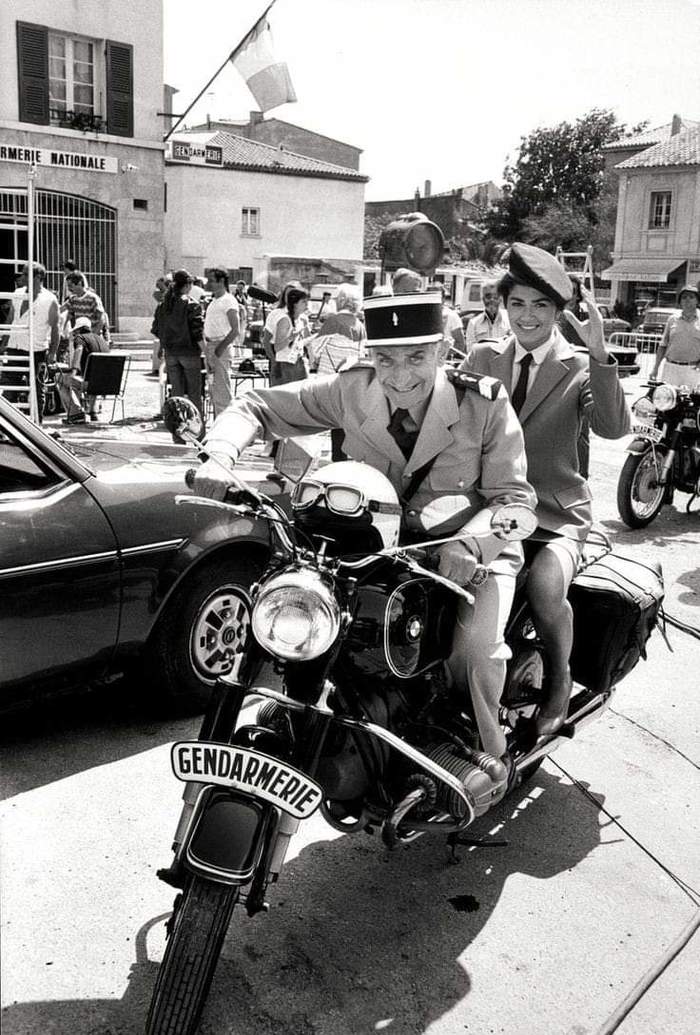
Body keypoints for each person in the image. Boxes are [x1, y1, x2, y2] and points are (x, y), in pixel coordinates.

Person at [194, 292, 536, 786]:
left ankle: (489, 755)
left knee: (477, 650)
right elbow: (255, 404)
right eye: (386, 358)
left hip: (464, 552)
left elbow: (515, 502)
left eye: (416, 356)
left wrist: (469, 543)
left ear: (443, 350)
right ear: (370, 354)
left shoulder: (481, 402)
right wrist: (222, 451)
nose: (399, 375)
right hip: (368, 554)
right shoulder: (352, 389)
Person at [463, 243, 631, 740]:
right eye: (517, 304)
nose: (527, 316)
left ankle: (560, 679)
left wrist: (600, 354)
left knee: (543, 586)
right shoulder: (482, 357)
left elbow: (613, 427)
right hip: (489, 509)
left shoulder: (578, 365)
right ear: (503, 306)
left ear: (558, 313)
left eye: (540, 306)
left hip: (557, 513)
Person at [308, 282, 367, 461]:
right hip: (350, 378)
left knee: (332, 421)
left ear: (340, 301)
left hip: (329, 378)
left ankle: (337, 460)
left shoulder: (333, 321)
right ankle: (343, 457)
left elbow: (316, 349)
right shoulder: (360, 325)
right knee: (344, 421)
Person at [0, 262, 59, 419]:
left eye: (26, 274)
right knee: (8, 389)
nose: (22, 277)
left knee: (37, 390)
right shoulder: (18, 293)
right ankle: (4, 428)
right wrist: (3, 342)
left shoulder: (50, 300)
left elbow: (55, 329)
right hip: (14, 347)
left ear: (38, 277)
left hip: (37, 350)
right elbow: (11, 319)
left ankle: (37, 424)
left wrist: (52, 353)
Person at [151, 268, 205, 432]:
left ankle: (178, 428)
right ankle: (198, 429)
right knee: (195, 393)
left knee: (177, 393)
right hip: (189, 352)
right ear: (188, 284)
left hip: (171, 353)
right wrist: (207, 354)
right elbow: (197, 332)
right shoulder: (192, 304)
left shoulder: (163, 305)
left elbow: (157, 328)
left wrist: (162, 346)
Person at [54, 315, 110, 423]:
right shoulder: (101, 339)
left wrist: (73, 371)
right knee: (93, 376)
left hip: (89, 385)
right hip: (108, 385)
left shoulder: (80, 338)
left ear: (79, 329)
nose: (74, 334)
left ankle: (75, 414)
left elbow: (79, 350)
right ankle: (93, 411)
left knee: (59, 378)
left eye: (75, 331)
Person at [203, 267, 239, 417]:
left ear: (222, 281)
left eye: (212, 280)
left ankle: (226, 427)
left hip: (220, 347)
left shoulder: (229, 301)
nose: (209, 284)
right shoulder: (214, 301)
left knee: (222, 391)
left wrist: (219, 350)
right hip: (210, 346)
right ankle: (218, 423)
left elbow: (235, 330)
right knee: (213, 389)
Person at [649, 284, 700, 389]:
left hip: (693, 370)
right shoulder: (672, 319)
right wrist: (655, 368)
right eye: (684, 297)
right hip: (670, 369)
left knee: (691, 403)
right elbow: (663, 345)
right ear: (680, 302)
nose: (687, 300)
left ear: (697, 301)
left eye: (691, 297)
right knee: (666, 402)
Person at [263, 284, 311, 387]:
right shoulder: (283, 318)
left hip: (299, 363)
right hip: (285, 365)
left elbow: (305, 342)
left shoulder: (301, 319)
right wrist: (291, 337)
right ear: (294, 303)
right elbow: (276, 346)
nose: (307, 304)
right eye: (303, 302)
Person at [465, 281, 511, 349]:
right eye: (488, 296)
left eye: (495, 296)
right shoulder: (473, 323)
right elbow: (471, 351)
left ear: (500, 299)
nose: (492, 300)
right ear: (483, 299)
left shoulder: (510, 319)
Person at [429, 281, 466, 354]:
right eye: (430, 296)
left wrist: (442, 354)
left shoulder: (451, 316)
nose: (433, 300)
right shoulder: (422, 316)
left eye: (436, 296)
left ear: (443, 298)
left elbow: (460, 344)